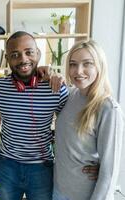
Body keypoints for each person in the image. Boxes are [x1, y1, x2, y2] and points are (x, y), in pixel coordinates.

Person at [0, 31, 69, 200]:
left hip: (42, 167)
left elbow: (71, 127)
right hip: (7, 166)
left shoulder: (55, 88)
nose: (23, 59)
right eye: (15, 55)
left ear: (38, 54)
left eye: (29, 52)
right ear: (8, 59)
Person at [53, 40, 124, 200]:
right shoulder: (69, 95)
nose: (78, 71)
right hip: (58, 191)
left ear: (99, 66)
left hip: (86, 195)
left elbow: (109, 171)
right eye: (73, 64)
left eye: (87, 64)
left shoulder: (108, 109)